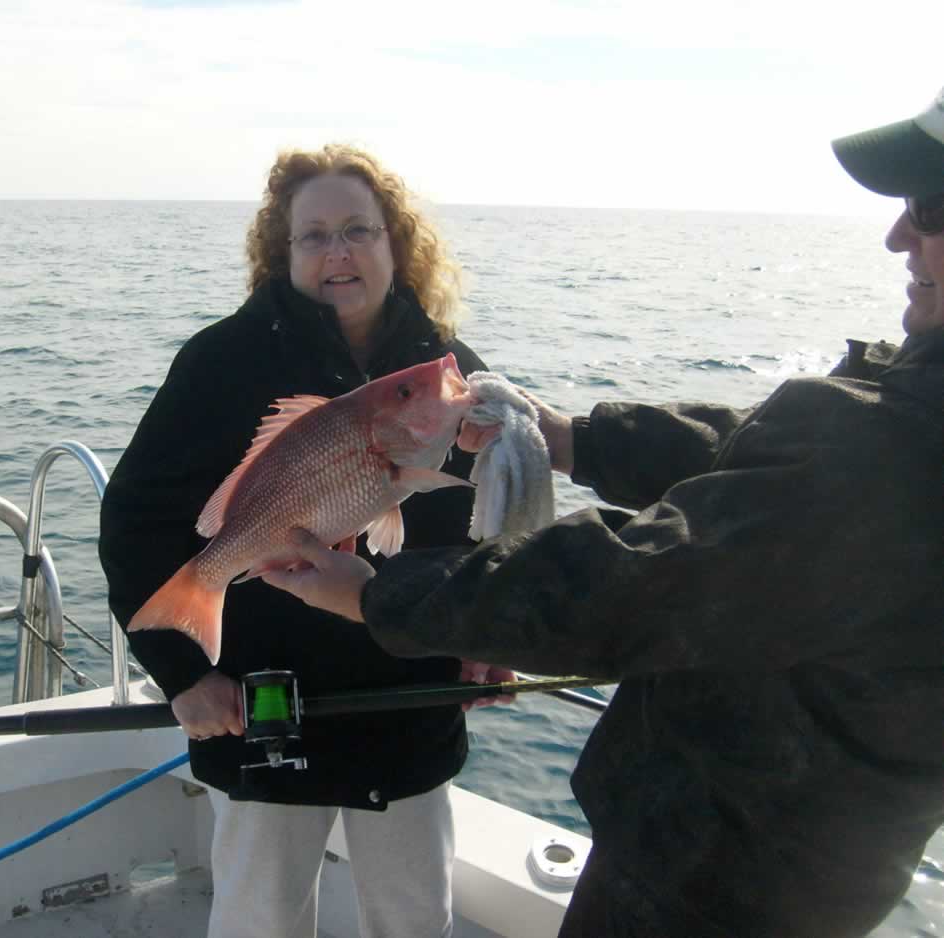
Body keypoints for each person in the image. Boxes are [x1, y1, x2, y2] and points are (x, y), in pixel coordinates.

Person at [262, 89, 944, 937]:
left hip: (718, 881)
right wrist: (576, 439)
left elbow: (622, 588)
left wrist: (375, 593)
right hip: (808, 866)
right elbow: (765, 461)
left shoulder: (897, 451)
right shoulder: (899, 425)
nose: (898, 235)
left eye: (929, 206)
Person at [99, 143, 511, 938]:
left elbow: (483, 532)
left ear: (396, 242)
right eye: (314, 236)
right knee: (260, 920)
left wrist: (482, 638)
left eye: (358, 230)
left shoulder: (447, 376)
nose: (338, 252)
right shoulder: (222, 362)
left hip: (407, 703)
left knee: (415, 919)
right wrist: (184, 674)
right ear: (282, 252)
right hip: (261, 705)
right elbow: (134, 521)